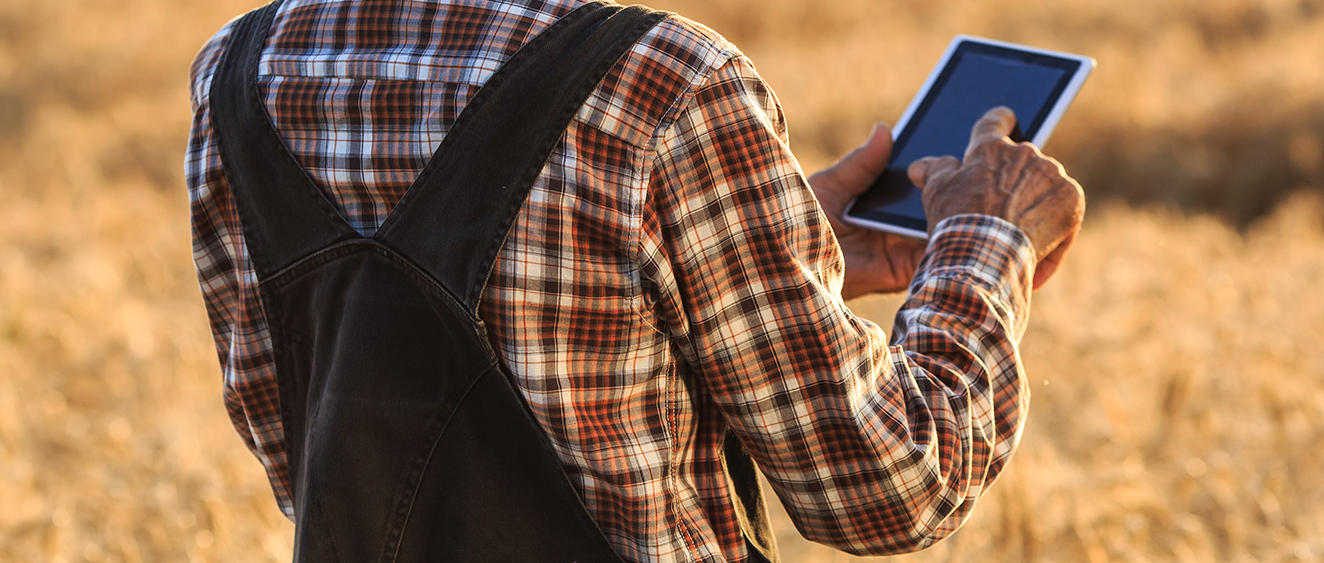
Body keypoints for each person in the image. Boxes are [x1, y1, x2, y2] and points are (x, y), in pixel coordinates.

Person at [185, 0, 1084, 561]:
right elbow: (890, 490)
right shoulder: (664, 82)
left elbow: (302, 435)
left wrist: (761, 253)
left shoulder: (236, 70)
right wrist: (983, 235)